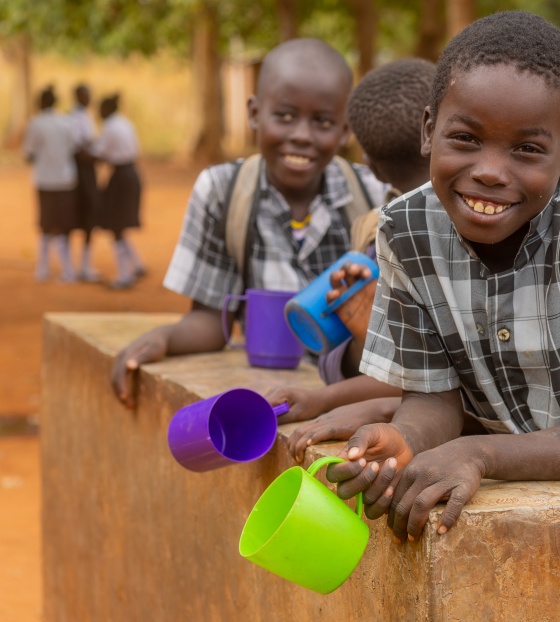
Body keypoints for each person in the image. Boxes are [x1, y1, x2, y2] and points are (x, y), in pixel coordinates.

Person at [325, 10, 560, 544]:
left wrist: (478, 453)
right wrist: (406, 436)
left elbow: (473, 444)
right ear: (430, 130)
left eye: (527, 148)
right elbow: (435, 397)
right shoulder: (404, 230)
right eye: (467, 138)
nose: (491, 171)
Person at [110, 38, 389, 409]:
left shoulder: (374, 196)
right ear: (255, 113)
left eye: (322, 122)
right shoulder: (223, 191)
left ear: (344, 131)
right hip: (262, 394)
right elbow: (211, 319)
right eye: (285, 116)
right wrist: (165, 338)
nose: (302, 135)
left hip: (346, 391)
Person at [265, 58, 436, 461]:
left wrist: (324, 395)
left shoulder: (373, 233)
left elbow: (408, 378)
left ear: (370, 166)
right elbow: (409, 377)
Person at [24, 85, 79, 283]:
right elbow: (74, 147)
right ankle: (68, 270)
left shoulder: (36, 123)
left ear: (40, 103)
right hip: (66, 179)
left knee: (46, 224)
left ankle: (43, 267)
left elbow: (29, 154)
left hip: (45, 180)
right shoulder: (66, 122)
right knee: (64, 225)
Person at [92, 94, 146, 289]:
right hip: (132, 173)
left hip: (120, 177)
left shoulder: (109, 127)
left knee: (115, 225)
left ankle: (124, 275)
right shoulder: (125, 122)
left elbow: (99, 153)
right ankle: (138, 264)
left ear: (107, 109)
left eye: (100, 109)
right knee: (120, 224)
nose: (98, 113)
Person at [69, 83, 101, 282]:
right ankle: (77, 266)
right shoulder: (73, 117)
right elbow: (79, 149)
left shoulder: (86, 116)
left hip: (88, 171)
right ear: (78, 96)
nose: (88, 98)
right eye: (85, 95)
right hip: (80, 172)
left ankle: (85, 264)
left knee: (90, 216)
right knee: (81, 214)